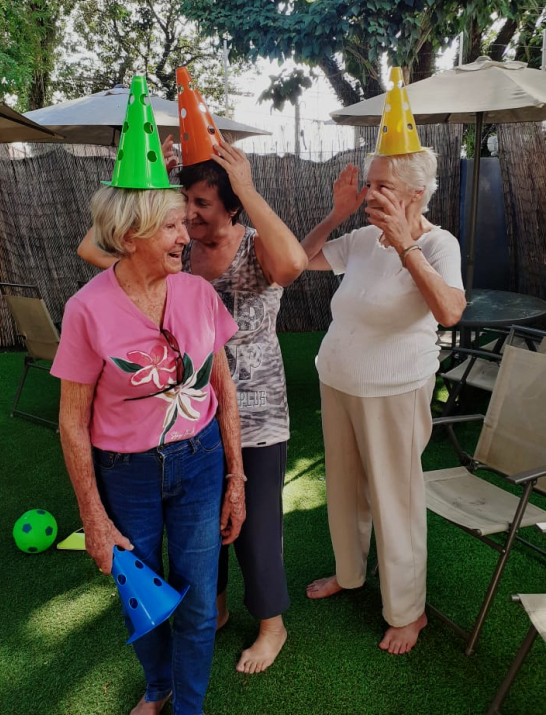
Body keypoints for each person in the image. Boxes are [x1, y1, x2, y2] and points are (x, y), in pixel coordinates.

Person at [79, 140, 308, 674]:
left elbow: (295, 263)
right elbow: (95, 247)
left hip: (257, 409)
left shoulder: (255, 247)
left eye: (200, 203)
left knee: (254, 525)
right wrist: (142, 190)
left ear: (231, 207)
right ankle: (218, 605)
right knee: (204, 530)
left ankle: (273, 623)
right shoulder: (175, 253)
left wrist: (247, 186)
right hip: (193, 419)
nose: (189, 214)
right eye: (182, 204)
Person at [52, 183, 245, 715]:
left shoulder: (199, 293)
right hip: (125, 473)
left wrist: (237, 479)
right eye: (172, 226)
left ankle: (189, 706)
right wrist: (91, 514)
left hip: (201, 461)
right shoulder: (86, 309)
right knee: (141, 598)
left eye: (186, 222)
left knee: (200, 601)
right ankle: (158, 685)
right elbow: (71, 421)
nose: (188, 235)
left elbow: (224, 390)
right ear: (131, 234)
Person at [302, 150, 466, 655]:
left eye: (382, 186)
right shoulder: (361, 239)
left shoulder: (440, 244)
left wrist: (405, 246)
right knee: (345, 487)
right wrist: (337, 213)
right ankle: (349, 574)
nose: (371, 194)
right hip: (338, 381)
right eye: (369, 184)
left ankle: (407, 611)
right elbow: (296, 261)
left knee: (395, 498)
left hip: (395, 388)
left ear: (417, 192)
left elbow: (450, 312)